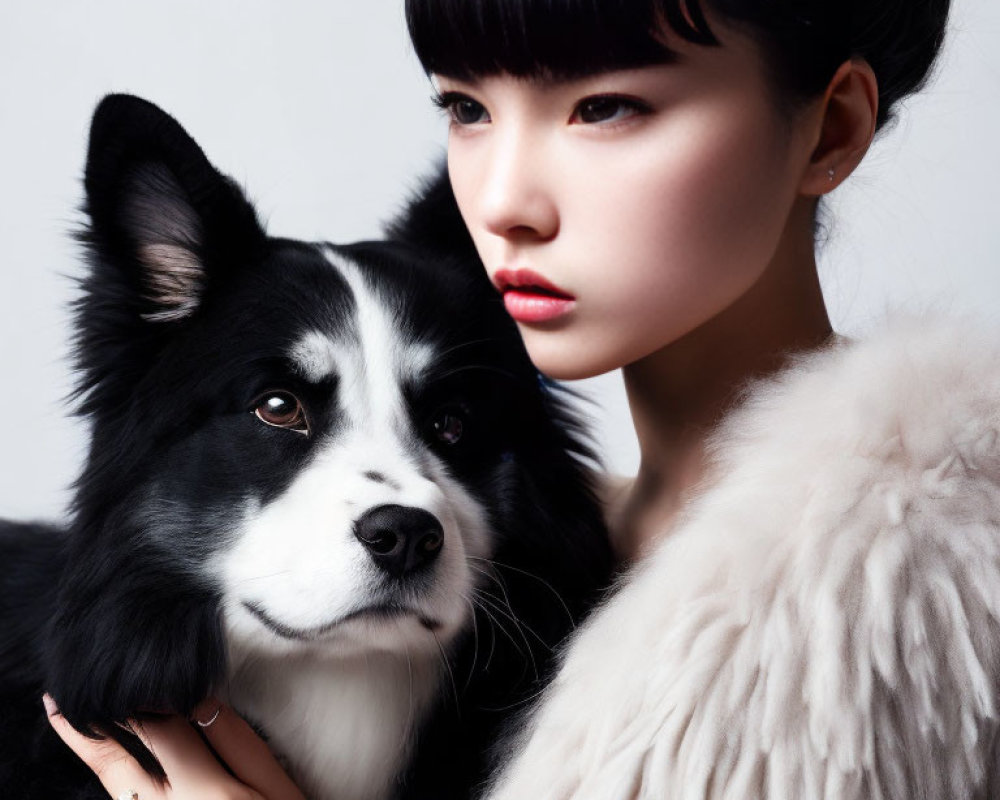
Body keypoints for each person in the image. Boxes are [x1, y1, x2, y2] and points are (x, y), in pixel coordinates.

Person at [52, 0, 1000, 798]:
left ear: (830, 130)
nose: (504, 198)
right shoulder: (537, 566)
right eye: (467, 108)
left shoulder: (920, 595)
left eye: (606, 107)